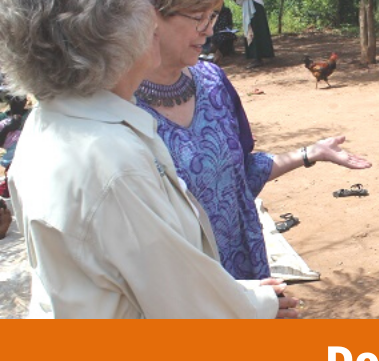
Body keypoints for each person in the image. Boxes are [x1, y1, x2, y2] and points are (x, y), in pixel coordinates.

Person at [0, 0, 299, 318]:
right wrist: (261, 305)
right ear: (114, 39)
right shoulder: (113, 163)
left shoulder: (47, 124)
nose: (153, 26)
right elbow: (179, 304)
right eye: (143, 17)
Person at [137, 0, 371, 281]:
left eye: (212, 18)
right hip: (173, 287)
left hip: (239, 273)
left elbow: (239, 175)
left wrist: (311, 152)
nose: (208, 32)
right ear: (148, 16)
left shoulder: (213, 82)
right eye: (198, 18)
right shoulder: (112, 109)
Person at [237, 0, 275, 69]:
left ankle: (258, 57)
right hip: (252, 5)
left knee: (256, 30)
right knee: (255, 30)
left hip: (254, 6)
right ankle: (258, 56)